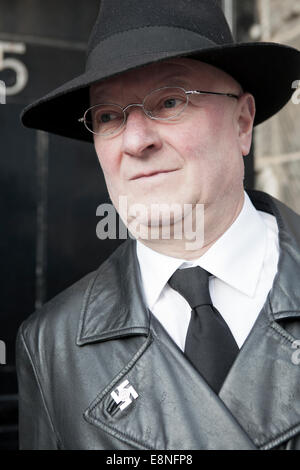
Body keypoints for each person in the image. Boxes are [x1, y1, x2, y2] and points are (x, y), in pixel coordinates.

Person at [16, 0, 300, 450]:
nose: (134, 140)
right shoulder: (53, 345)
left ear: (242, 122)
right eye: (108, 116)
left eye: (170, 101)